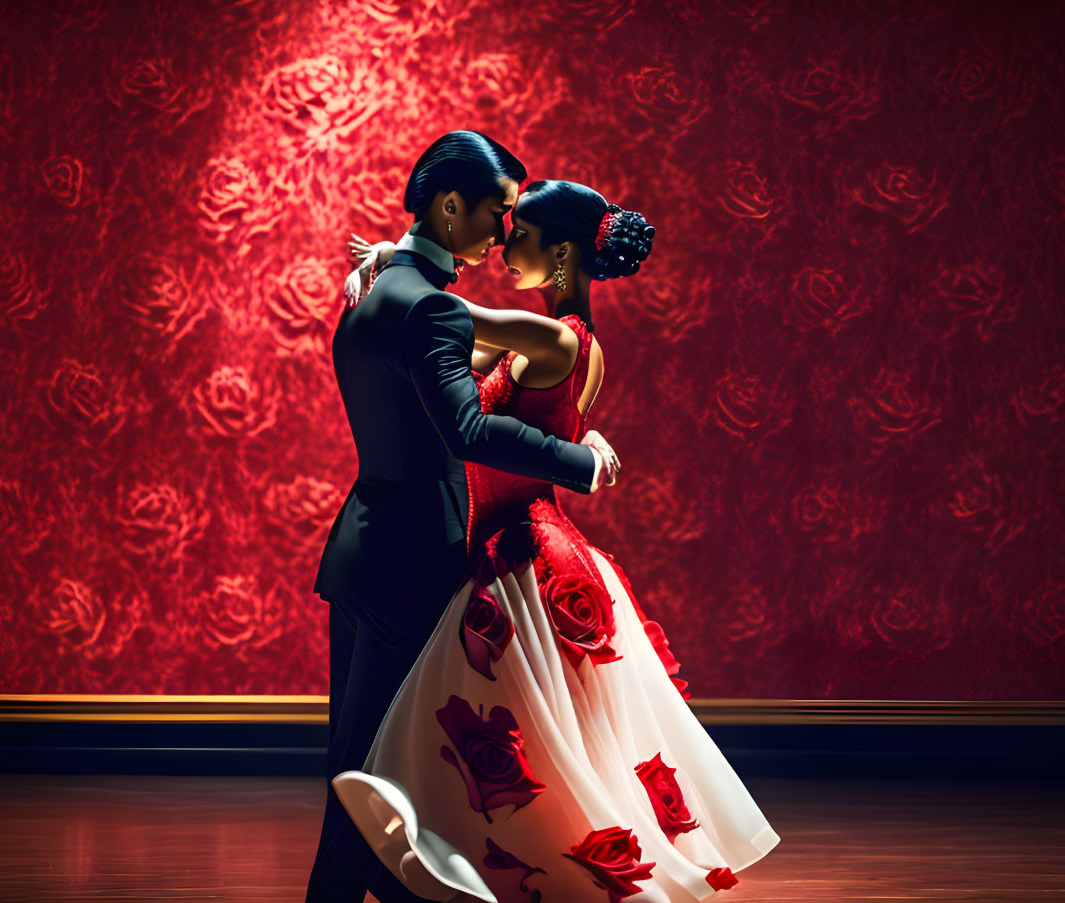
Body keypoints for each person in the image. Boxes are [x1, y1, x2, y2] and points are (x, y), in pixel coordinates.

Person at [332, 181, 780, 903]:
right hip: (521, 541)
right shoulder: (574, 343)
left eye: (521, 237)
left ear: (561, 253)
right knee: (538, 739)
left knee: (511, 740)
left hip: (520, 553)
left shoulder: (552, 336)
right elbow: (459, 352)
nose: (505, 247)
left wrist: (394, 258)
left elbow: (444, 316)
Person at [306, 139, 623, 903]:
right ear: (452, 207)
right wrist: (578, 462)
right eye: (495, 211)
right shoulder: (429, 303)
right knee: (375, 769)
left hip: (360, 549)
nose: (503, 231)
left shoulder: (378, 291)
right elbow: (468, 433)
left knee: (366, 767)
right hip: (414, 562)